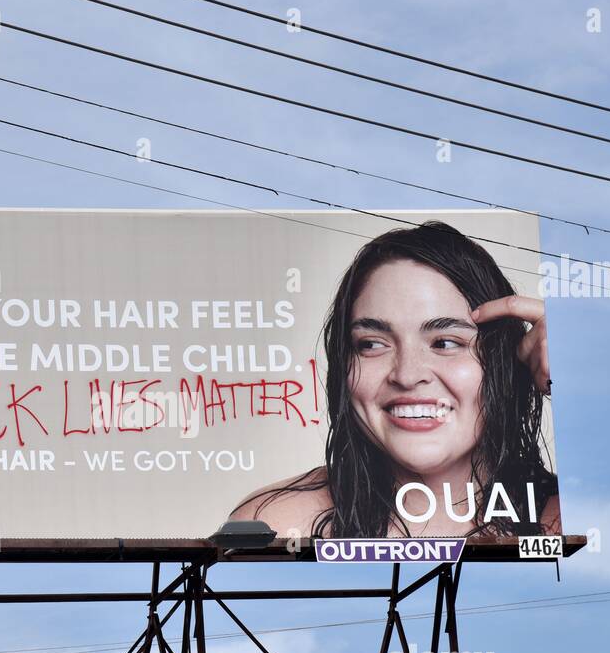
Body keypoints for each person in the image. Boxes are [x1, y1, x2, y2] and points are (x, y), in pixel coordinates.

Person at [229, 221, 560, 539]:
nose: (407, 374)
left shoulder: (571, 518)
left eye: (445, 343)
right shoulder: (275, 522)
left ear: (505, 357)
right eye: (372, 344)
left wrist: (574, 382)